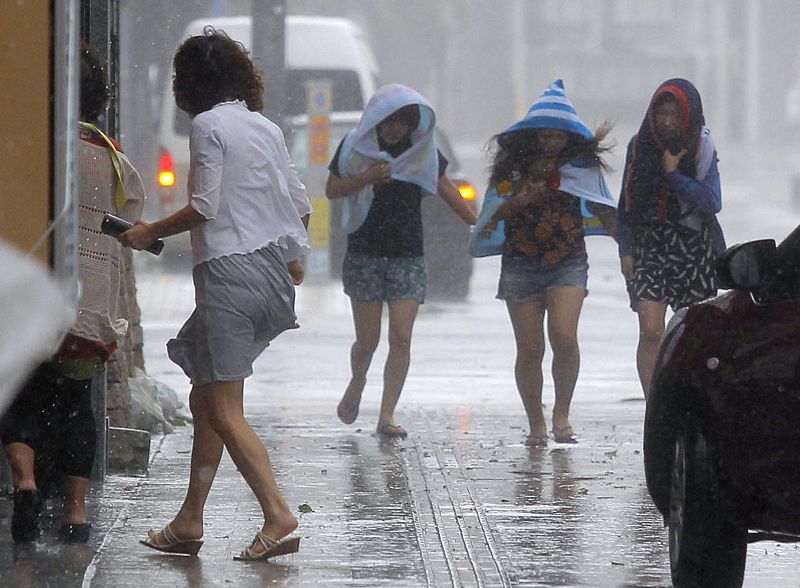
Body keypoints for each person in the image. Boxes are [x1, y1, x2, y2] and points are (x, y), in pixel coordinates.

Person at [122, 27, 309, 560]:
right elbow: (298, 201)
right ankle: (190, 519)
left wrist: (148, 231)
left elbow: (204, 205)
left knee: (224, 408)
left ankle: (277, 514)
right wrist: (295, 260)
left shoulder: (207, 126)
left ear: (190, 83)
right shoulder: (264, 127)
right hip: (270, 272)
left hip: (228, 275)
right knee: (207, 394)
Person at [0, 41, 145, 543]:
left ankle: (25, 481)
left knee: (22, 395)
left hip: (33, 295)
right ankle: (77, 512)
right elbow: (134, 213)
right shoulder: (112, 157)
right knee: (77, 403)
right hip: (87, 307)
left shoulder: (31, 147)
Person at [326, 84, 477, 439]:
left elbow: (445, 187)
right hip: (364, 253)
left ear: (412, 124)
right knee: (367, 341)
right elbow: (332, 188)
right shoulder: (356, 148)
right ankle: (358, 380)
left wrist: (475, 220)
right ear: (376, 122)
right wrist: (366, 178)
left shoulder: (423, 153)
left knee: (402, 336)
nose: (395, 129)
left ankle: (387, 414)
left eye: (402, 122)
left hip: (408, 255)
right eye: (388, 121)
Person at [479, 80, 616, 446]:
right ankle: (535, 421)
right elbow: (493, 214)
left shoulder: (581, 167)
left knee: (565, 336)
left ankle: (562, 415)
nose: (551, 142)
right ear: (534, 134)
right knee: (530, 348)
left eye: (559, 136)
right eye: (546, 135)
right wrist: (524, 198)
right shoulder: (511, 169)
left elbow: (603, 206)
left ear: (569, 137)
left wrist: (629, 247)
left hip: (567, 261)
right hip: (521, 264)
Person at [617, 78, 725, 399]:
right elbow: (627, 204)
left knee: (694, 336)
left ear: (688, 116)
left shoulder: (703, 147)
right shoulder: (639, 147)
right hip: (650, 245)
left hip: (694, 249)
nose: (666, 120)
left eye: (674, 114)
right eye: (660, 112)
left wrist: (673, 174)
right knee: (651, 330)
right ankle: (655, 408)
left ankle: (689, 401)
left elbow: (712, 201)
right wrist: (626, 250)